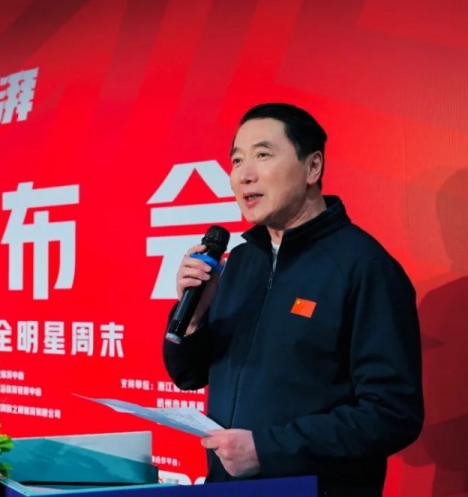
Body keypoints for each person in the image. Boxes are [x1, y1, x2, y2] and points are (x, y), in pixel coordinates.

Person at [162, 103, 424, 496]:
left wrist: (266, 450)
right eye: (237, 160)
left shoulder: (364, 267)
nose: (244, 174)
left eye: (263, 155)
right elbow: (188, 375)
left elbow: (392, 413)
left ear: (313, 167)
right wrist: (195, 319)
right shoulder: (240, 261)